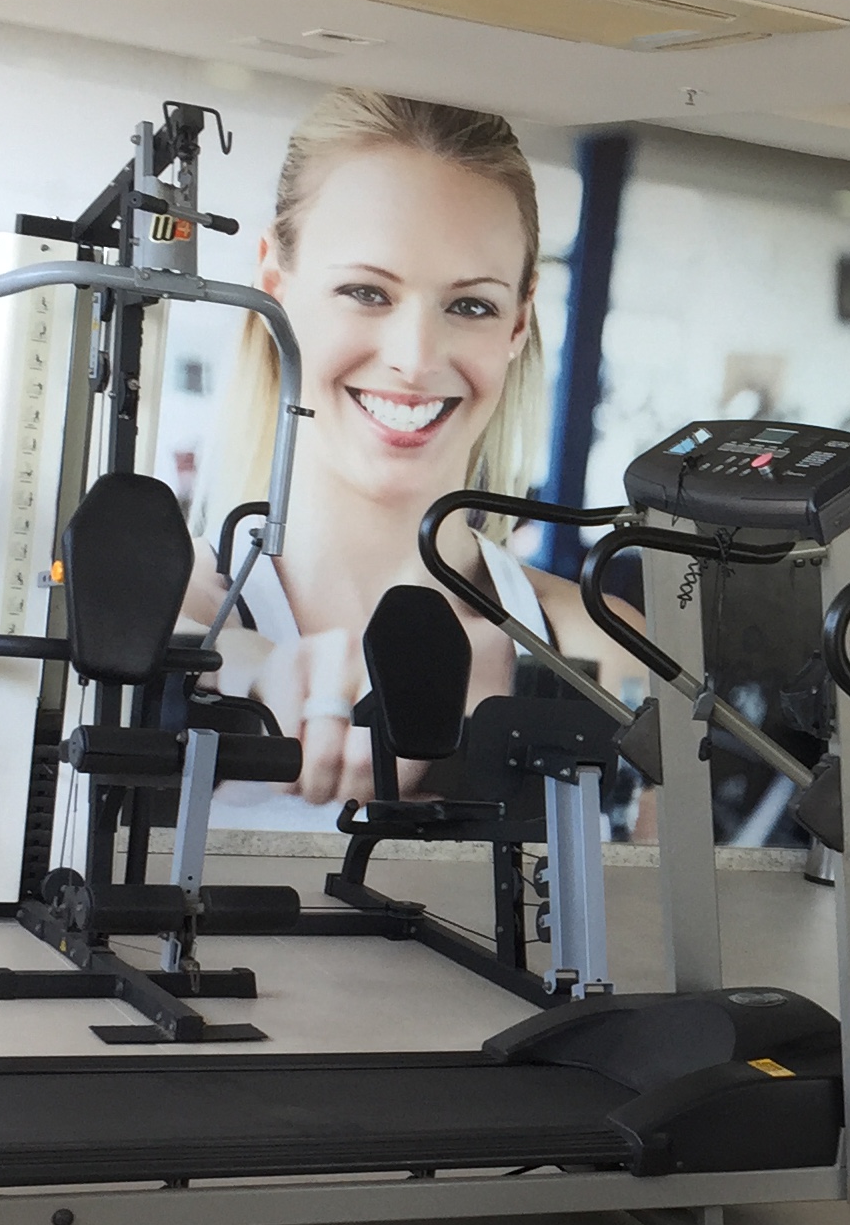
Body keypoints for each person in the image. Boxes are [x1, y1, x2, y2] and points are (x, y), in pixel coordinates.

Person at [189, 89, 646, 806]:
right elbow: (167, 642)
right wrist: (238, 669)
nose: (417, 358)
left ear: (518, 322)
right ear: (274, 284)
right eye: (367, 292)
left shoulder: (604, 652)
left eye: (471, 305)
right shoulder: (177, 607)